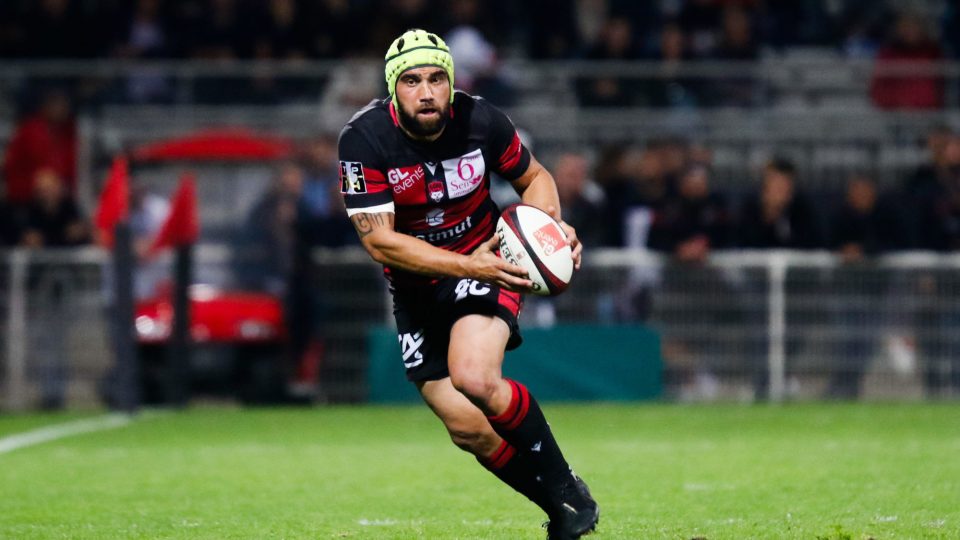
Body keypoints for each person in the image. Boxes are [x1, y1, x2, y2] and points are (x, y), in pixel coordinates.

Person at [337, 29, 598, 539]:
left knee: (474, 377)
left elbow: (535, 177)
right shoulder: (363, 139)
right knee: (467, 427)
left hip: (490, 260)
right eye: (412, 81)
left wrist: (547, 228)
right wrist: (462, 267)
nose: (427, 91)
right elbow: (381, 244)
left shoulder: (481, 119)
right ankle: (560, 508)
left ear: (451, 82)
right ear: (394, 89)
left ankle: (565, 484)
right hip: (416, 288)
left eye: (437, 78)